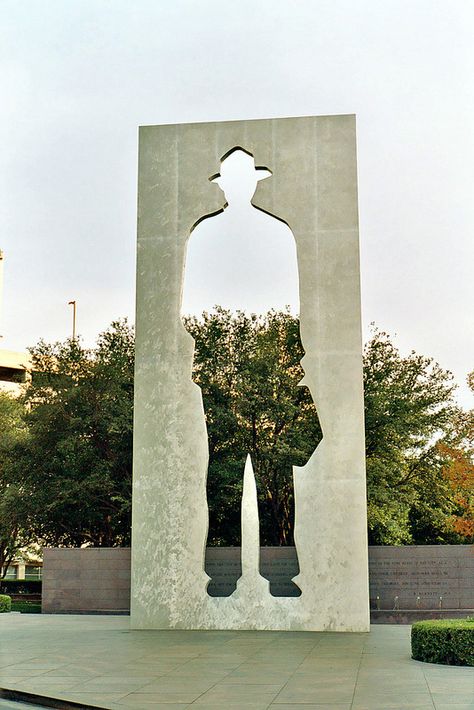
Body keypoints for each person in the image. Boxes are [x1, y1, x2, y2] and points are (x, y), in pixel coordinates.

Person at [181, 149, 318, 596]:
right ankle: (214, 582)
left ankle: (290, 582)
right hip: (213, 377)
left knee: (292, 483)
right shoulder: (204, 232)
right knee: (210, 483)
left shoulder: (279, 230)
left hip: (276, 376)